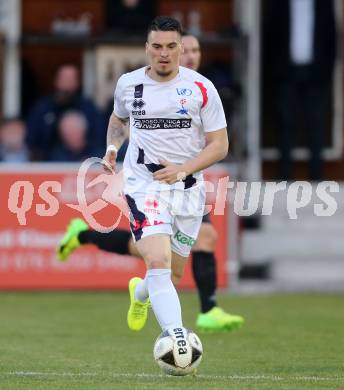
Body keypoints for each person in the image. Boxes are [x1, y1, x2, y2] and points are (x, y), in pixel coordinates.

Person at [57, 30, 244, 332]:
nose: (165, 53)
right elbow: (119, 118)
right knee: (158, 260)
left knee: (172, 273)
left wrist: (184, 169)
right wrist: (112, 149)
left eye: (173, 47)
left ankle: (140, 291)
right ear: (147, 49)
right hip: (145, 186)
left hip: (187, 188)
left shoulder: (202, 88)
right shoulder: (130, 84)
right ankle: (178, 336)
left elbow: (220, 146)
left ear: (181, 50)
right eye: (158, 46)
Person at [264, 0, 336, 180]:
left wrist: (328, 71)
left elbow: (332, 36)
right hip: (286, 72)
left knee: (316, 123)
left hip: (317, 73)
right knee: (286, 124)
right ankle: (284, 175)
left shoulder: (324, 4)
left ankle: (316, 176)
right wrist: (272, 70)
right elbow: (270, 35)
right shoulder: (279, 4)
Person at [26, 64, 105, 161]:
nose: (67, 82)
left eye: (71, 79)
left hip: (84, 160)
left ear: (77, 83)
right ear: (56, 81)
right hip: (49, 162)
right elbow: (32, 138)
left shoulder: (88, 107)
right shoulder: (43, 107)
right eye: (64, 78)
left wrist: (90, 155)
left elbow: (99, 136)